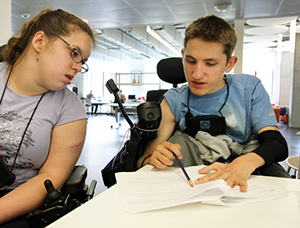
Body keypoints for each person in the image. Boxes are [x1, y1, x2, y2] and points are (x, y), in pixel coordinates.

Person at [137, 15, 290, 193]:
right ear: (182, 56)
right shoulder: (175, 100)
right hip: (197, 181)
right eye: (190, 61)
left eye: (210, 63)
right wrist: (154, 158)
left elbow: (276, 144)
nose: (196, 74)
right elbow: (144, 161)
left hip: (247, 175)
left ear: (229, 64)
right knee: (178, 140)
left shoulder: (249, 88)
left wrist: (244, 163)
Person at [0, 8, 94, 227]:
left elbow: (49, 179)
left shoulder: (70, 108)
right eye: (74, 53)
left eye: (83, 61)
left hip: (20, 203)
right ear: (40, 41)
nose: (78, 67)